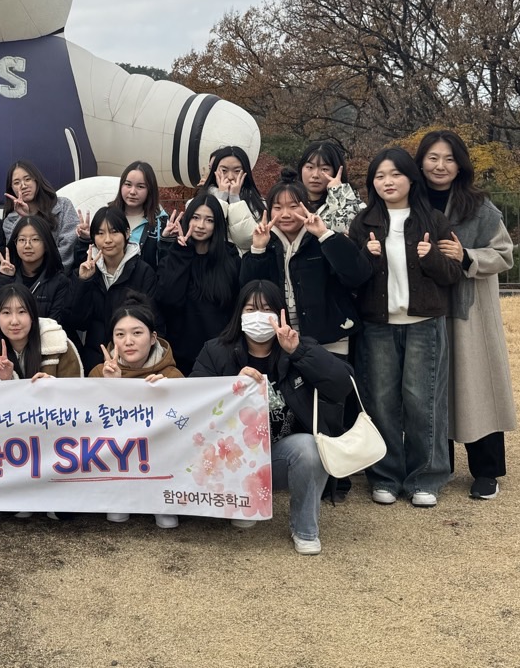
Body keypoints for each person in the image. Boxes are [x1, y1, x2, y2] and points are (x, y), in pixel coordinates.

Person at [190, 280, 353, 555]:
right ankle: (244, 499)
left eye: (266, 309)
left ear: (280, 314)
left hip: (280, 455)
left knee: (309, 448)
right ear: (239, 314)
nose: (258, 316)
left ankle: (305, 529)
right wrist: (231, 386)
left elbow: (341, 385)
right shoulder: (216, 351)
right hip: (232, 457)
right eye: (250, 309)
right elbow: (194, 402)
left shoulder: (299, 348)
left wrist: (298, 352)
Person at [348, 147, 463, 507]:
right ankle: (385, 476)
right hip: (378, 325)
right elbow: (351, 279)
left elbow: (453, 274)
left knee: (422, 401)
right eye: (380, 176)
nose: (388, 182)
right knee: (381, 401)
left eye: (395, 174)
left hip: (424, 323)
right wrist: (365, 257)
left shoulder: (433, 220)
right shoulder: (363, 223)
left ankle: (426, 478)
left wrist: (431, 258)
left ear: (411, 179)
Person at [415, 130, 517, 500]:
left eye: (449, 159)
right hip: (423, 309)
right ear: (420, 162)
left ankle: (487, 471)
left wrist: (466, 256)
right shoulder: (410, 203)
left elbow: (504, 254)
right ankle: (436, 467)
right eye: (433, 158)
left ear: (460, 165)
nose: (440, 166)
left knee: (476, 386)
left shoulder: (479, 206)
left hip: (469, 312)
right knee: (432, 389)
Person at [240, 177, 371, 359]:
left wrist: (324, 235)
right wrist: (258, 250)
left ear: (306, 207)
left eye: (293, 206)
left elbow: (357, 275)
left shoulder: (323, 239)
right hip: (281, 339)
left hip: (330, 338)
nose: (285, 214)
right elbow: (248, 290)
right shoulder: (266, 244)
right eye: (277, 207)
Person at [88, 294, 181, 529]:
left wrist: (167, 394)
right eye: (120, 335)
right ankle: (119, 494)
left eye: (137, 333)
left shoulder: (171, 375)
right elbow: (89, 425)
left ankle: (162, 500)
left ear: (153, 338)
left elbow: (186, 425)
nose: (128, 341)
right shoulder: (99, 373)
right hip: (115, 463)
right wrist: (112, 387)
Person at [155, 192, 241, 375]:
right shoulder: (175, 255)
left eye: (209, 220)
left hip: (220, 356)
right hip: (179, 358)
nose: (201, 225)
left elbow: (235, 307)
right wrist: (180, 252)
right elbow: (168, 299)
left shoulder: (230, 259)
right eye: (195, 217)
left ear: (217, 224)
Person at [66, 207, 159, 373]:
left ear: (127, 233)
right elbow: (77, 321)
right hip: (95, 361)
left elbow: (152, 321)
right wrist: (83, 282)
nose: (107, 240)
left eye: (114, 232)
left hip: (133, 361)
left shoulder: (143, 272)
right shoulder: (86, 270)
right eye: (100, 233)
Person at [0, 214, 74, 332]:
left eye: (35, 239)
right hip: (6, 340)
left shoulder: (59, 281)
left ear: (46, 244)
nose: (27, 245)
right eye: (22, 240)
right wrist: (3, 279)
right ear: (15, 243)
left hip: (43, 341)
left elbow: (55, 325)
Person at [0, 283, 83, 380]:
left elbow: (76, 389)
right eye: (6, 312)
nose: (14, 321)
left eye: (21, 311)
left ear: (32, 315)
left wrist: (51, 385)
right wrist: (5, 380)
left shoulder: (58, 345)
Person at [1, 159, 79, 266]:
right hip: (29, 274)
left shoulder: (63, 205)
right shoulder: (10, 222)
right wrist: (26, 218)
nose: (23, 186)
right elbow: (17, 255)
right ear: (11, 188)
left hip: (61, 272)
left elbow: (69, 245)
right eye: (16, 183)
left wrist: (50, 271)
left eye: (27, 179)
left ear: (37, 180)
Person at [201, 146, 266, 251]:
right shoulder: (198, 201)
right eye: (224, 170)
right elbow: (205, 235)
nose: (230, 177)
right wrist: (221, 199)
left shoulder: (258, 204)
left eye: (237, 171)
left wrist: (235, 199)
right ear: (214, 171)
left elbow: (247, 240)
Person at [108, 161, 167, 269]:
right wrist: (85, 239)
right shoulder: (107, 216)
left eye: (140, 186)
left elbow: (166, 263)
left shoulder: (161, 222)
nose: (132, 192)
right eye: (128, 184)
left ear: (150, 190)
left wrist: (169, 240)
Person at [297, 140, 365, 234]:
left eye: (324, 169)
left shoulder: (353, 203)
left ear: (335, 171)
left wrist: (337, 193)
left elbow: (345, 231)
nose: (315, 175)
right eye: (310, 167)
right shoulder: (289, 197)